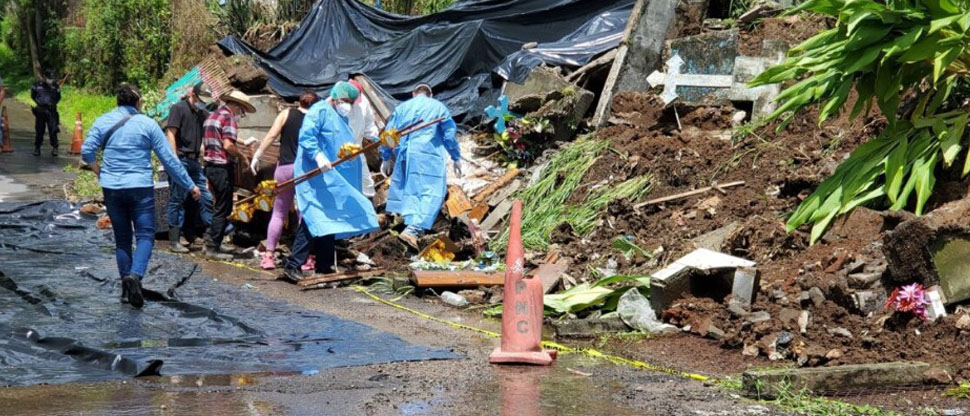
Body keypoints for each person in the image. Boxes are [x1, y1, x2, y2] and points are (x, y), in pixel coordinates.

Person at [81, 84, 202, 309]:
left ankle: (127, 290)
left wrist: (100, 172)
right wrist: (190, 185)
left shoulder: (102, 121)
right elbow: (169, 159)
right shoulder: (148, 124)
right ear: (138, 102)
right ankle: (135, 276)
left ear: (118, 102)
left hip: (112, 188)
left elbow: (87, 151)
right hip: (140, 188)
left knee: (122, 238)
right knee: (146, 235)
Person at [279, 82, 378, 281]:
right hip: (315, 173)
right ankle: (293, 264)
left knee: (329, 219)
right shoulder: (319, 111)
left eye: (351, 102)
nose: (348, 106)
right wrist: (318, 156)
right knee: (314, 216)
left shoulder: (340, 116)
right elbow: (307, 137)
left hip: (331, 175)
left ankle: (324, 265)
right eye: (347, 101)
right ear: (337, 97)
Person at [380, 83, 460, 248]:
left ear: (413, 94)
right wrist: (455, 156)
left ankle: (411, 227)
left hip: (405, 154)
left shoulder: (402, 108)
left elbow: (388, 133)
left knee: (412, 190)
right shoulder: (438, 107)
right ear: (431, 95)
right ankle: (413, 230)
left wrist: (386, 157)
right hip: (428, 156)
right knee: (432, 192)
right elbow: (449, 135)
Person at [250, 90, 320, 270]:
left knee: (279, 212)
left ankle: (269, 256)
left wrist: (258, 154)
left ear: (299, 102)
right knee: (304, 213)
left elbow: (272, 135)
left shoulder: (286, 114)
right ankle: (309, 257)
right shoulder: (316, 119)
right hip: (305, 171)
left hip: (284, 169)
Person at [202, 90, 255, 260]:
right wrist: (242, 156)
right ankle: (213, 248)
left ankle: (210, 241)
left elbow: (215, 140)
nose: (241, 114)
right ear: (237, 107)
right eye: (242, 111)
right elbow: (227, 145)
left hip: (209, 166)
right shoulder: (229, 118)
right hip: (221, 167)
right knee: (223, 208)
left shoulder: (212, 116)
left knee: (218, 204)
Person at [164, 82, 214, 253]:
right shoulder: (178, 109)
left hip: (194, 161)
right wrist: (174, 159)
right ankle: (174, 240)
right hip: (181, 159)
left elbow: (215, 123)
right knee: (177, 198)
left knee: (205, 197)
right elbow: (171, 132)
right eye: (199, 99)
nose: (201, 103)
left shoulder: (202, 113)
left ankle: (209, 237)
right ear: (192, 94)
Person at [344, 79, 379, 197]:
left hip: (357, 149)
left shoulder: (363, 102)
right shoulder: (337, 105)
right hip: (340, 151)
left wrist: (375, 136)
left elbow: (369, 123)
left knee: (366, 182)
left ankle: (370, 208)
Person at [31, 70, 61, 156]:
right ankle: (37, 148)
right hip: (40, 111)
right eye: (49, 78)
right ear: (44, 77)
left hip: (51, 111)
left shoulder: (55, 86)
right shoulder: (37, 85)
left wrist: (52, 103)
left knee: (53, 129)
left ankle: (55, 147)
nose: (51, 80)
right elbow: (33, 95)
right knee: (39, 130)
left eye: (52, 78)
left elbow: (58, 97)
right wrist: (39, 103)